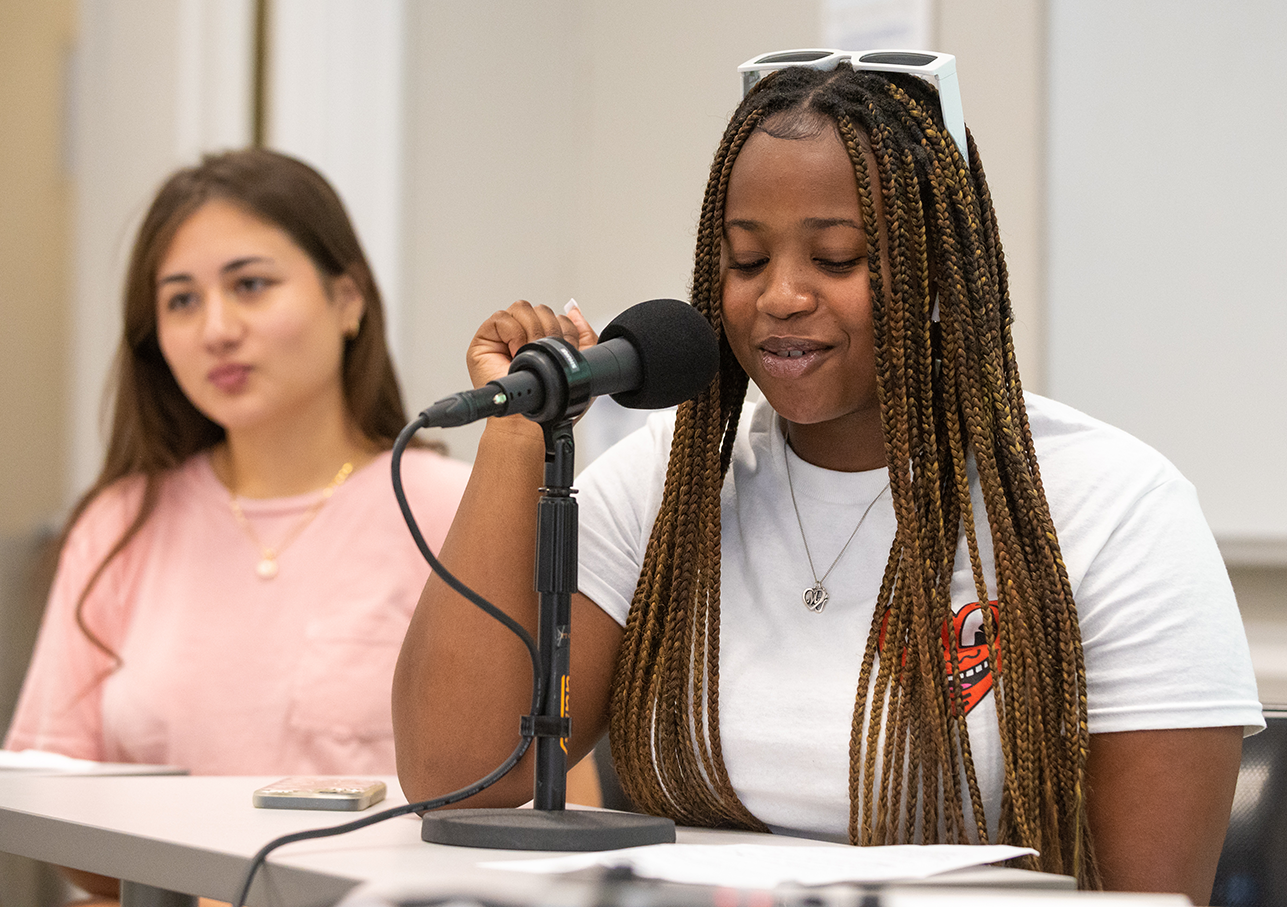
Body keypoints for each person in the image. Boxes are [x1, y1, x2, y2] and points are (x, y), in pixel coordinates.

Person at [393, 58, 1263, 904]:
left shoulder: (1115, 508)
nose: (780, 296)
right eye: (744, 261)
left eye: (838, 259)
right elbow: (459, 777)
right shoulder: (667, 485)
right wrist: (518, 429)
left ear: (939, 278)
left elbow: (1147, 898)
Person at [7, 149, 471, 778]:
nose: (216, 330)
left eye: (250, 285)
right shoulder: (119, 524)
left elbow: (552, 799)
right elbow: (48, 799)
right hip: (153, 883)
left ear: (347, 299)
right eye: (181, 301)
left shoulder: (457, 509)